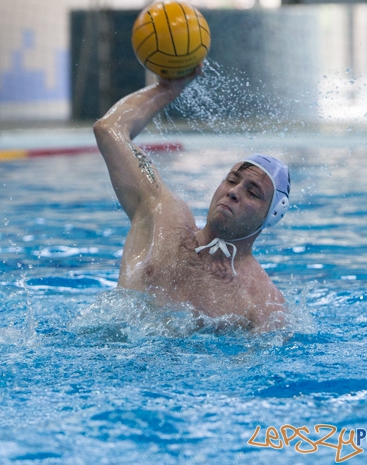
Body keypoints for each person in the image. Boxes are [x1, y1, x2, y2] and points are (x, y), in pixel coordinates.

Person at [93, 71, 289, 332]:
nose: (234, 192)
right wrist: (167, 89)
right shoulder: (161, 217)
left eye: (253, 193)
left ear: (270, 216)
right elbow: (109, 129)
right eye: (232, 180)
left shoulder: (262, 303)